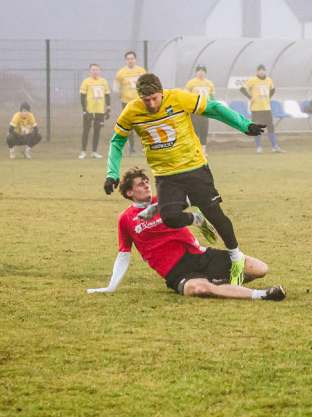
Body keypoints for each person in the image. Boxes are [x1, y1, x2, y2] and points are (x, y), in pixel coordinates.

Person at [102, 73, 266, 286]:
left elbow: (214, 108)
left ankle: (236, 258)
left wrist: (244, 125)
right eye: (146, 100)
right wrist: (111, 174)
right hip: (165, 176)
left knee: (215, 214)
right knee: (169, 217)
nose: (151, 104)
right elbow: (116, 142)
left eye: (154, 98)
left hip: (195, 168)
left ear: (161, 92)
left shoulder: (179, 98)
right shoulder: (131, 111)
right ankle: (195, 217)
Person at [88, 167, 285, 300]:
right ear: (129, 192)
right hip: (176, 271)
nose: (147, 185)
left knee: (260, 269)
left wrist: (192, 218)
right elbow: (124, 253)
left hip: (200, 256)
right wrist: (111, 287)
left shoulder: (164, 202)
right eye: (141, 184)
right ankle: (263, 294)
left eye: (148, 182)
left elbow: (198, 197)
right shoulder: (126, 218)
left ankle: (221, 280)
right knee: (199, 288)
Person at [240, 64, 284, 153]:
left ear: (265, 71)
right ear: (257, 72)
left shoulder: (269, 80)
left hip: (266, 108)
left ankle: (275, 147)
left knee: (270, 127)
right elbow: (242, 89)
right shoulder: (252, 80)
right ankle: (259, 147)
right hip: (256, 109)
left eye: (263, 70)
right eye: (259, 70)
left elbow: (273, 90)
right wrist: (250, 97)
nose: (261, 71)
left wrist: (268, 97)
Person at [114, 51, 146, 153]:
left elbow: (146, 85)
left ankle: (144, 146)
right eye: (128, 59)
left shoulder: (141, 71)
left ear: (135, 59)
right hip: (126, 103)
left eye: (132, 58)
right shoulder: (121, 73)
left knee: (142, 124)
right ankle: (132, 147)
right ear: (126, 60)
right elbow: (116, 88)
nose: (130, 60)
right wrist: (121, 95)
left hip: (140, 102)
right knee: (129, 125)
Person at [79, 63, 111, 159]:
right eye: (93, 70)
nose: (95, 72)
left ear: (99, 70)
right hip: (89, 110)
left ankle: (94, 151)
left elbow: (107, 96)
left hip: (99, 111)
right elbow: (82, 97)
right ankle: (83, 152)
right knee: (86, 131)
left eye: (96, 70)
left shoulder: (104, 82)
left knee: (97, 131)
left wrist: (108, 109)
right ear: (90, 71)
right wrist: (84, 110)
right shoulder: (86, 82)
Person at [185, 64, 215, 154]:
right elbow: (186, 96)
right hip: (195, 110)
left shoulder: (209, 83)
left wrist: (213, 108)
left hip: (205, 110)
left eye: (203, 70)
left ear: (205, 72)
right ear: (196, 72)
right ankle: (195, 149)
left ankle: (203, 150)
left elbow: (213, 98)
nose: (201, 72)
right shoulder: (191, 82)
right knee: (195, 130)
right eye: (199, 70)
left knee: (204, 130)